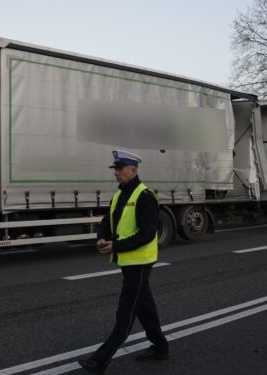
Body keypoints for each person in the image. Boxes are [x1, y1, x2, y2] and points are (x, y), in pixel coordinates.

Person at [79, 150, 169, 374]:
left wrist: (116, 246)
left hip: (139, 262)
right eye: (115, 169)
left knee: (126, 310)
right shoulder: (120, 194)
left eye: (120, 169)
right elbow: (108, 221)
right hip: (128, 260)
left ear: (134, 170)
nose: (116, 173)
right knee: (144, 306)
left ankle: (100, 360)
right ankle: (160, 347)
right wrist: (102, 237)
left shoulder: (144, 196)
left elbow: (148, 234)